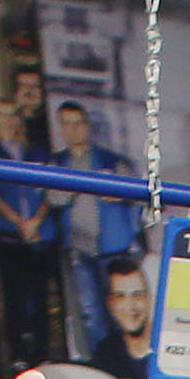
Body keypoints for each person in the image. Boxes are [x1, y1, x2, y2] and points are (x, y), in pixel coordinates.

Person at [0, 97, 65, 371]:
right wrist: (19, 223)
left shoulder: (36, 150)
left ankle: (43, 353)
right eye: (2, 115)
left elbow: (52, 188)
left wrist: (35, 222)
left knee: (41, 296)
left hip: (39, 234)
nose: (8, 121)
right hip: (8, 237)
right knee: (14, 298)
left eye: (13, 114)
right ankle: (17, 354)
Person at [49, 96, 143, 363]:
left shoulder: (113, 162)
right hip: (80, 250)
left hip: (115, 250)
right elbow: (53, 198)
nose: (73, 129)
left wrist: (120, 193)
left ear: (88, 125)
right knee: (90, 313)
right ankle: (102, 365)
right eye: (67, 124)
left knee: (121, 311)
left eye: (78, 123)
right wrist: (76, 183)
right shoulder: (57, 164)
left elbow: (139, 196)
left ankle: (127, 365)